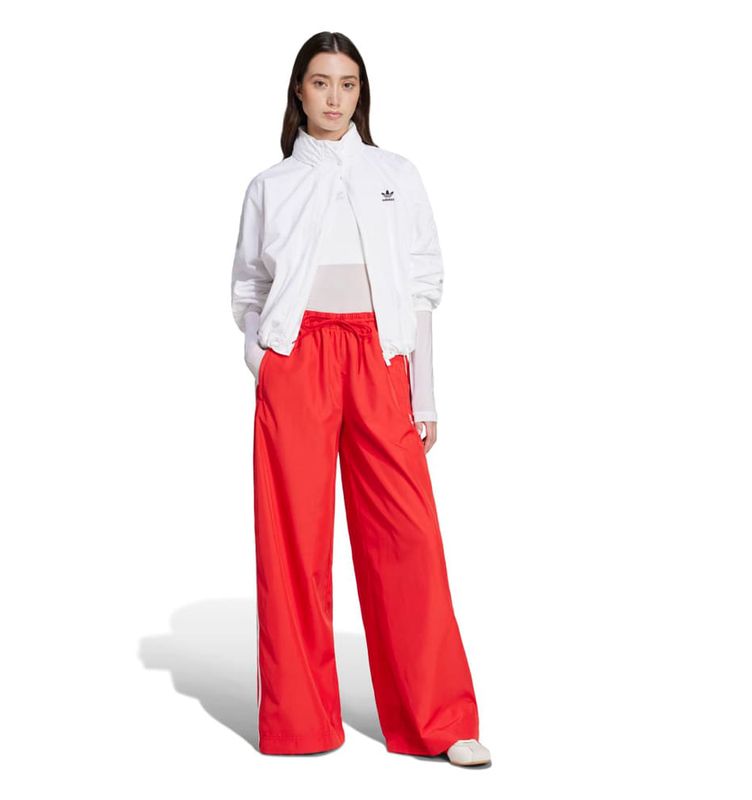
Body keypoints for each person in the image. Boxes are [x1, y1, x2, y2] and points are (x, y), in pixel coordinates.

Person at [230, 31, 491, 768]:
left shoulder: (395, 174)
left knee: (408, 539)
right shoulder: (270, 186)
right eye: (321, 83)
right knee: (293, 542)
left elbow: (423, 287)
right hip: (297, 360)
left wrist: (423, 395)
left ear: (361, 94)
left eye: (347, 84)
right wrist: (265, 361)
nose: (334, 98)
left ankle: (440, 721)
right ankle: (299, 723)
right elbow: (248, 288)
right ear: (299, 91)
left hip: (380, 359)